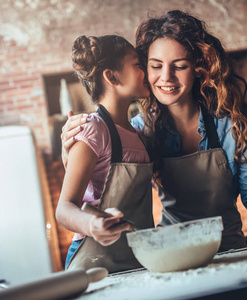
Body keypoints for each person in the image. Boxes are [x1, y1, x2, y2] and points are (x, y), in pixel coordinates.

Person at [61, 11, 247, 252]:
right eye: (155, 66)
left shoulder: (230, 125)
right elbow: (97, 184)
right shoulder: (140, 131)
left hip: (231, 250)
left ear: (198, 69)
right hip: (172, 253)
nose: (166, 77)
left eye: (179, 66)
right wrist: (70, 148)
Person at [55, 34, 154, 273]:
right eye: (138, 65)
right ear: (112, 76)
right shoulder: (92, 129)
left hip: (137, 258)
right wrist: (92, 224)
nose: (147, 72)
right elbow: (64, 208)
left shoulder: (139, 132)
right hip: (94, 263)